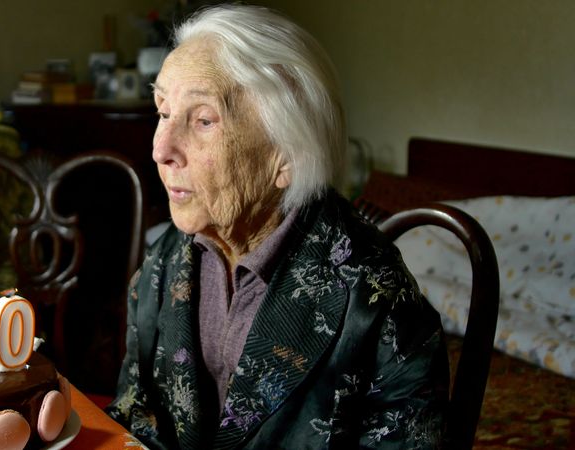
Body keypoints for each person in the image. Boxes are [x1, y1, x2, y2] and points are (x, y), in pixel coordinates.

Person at [106, 4, 448, 449]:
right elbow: (136, 417)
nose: (161, 148)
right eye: (163, 111)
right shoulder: (163, 263)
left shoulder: (375, 297)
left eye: (203, 119)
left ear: (285, 156)